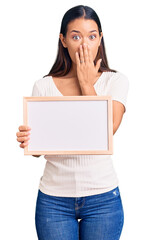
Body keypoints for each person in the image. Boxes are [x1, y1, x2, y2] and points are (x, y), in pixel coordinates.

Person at [16, 5, 129, 240]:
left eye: (92, 36)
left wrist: (87, 83)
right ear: (63, 40)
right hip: (53, 201)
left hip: (103, 200)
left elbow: (107, 131)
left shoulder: (115, 81)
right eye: (76, 36)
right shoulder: (44, 86)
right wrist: (30, 140)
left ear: (100, 39)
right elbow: (39, 150)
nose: (84, 44)